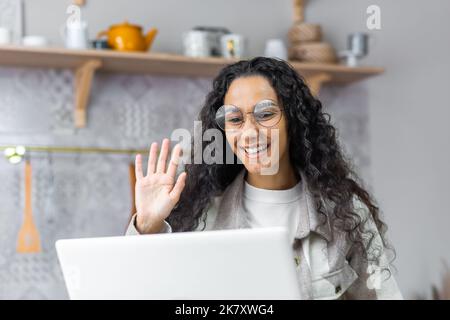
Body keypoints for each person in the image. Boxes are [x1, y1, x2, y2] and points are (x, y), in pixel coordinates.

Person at [126, 57, 402, 299]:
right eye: (235, 120)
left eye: (266, 114)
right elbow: (142, 290)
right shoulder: (201, 216)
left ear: (293, 120)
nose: (249, 133)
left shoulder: (345, 212)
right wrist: (148, 225)